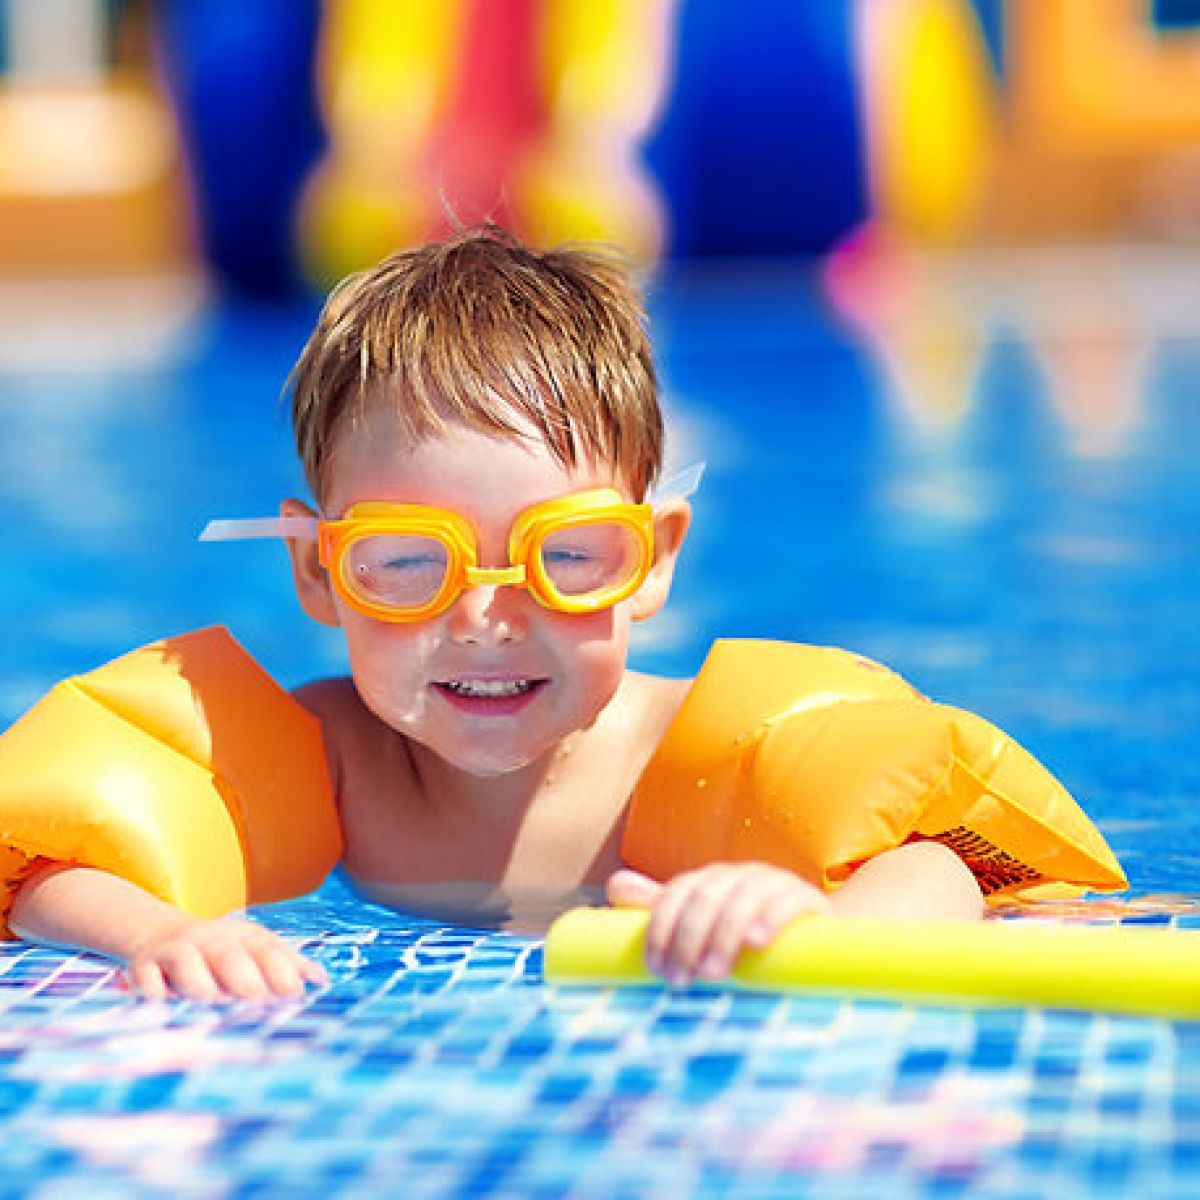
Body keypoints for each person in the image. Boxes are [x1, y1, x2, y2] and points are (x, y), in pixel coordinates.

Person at [2, 227, 1122, 1001]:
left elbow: (963, 867)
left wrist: (820, 930)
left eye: (568, 556)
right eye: (411, 564)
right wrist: (159, 933)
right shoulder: (330, 761)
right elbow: (38, 870)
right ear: (319, 574)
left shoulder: (701, 756)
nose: (491, 619)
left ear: (652, 560)